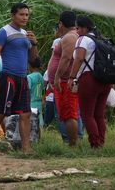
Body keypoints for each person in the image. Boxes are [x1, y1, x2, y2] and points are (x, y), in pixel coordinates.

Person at [0, 3, 38, 156]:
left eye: (27, 15)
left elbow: (33, 59)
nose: (25, 17)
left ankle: (26, 149)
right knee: (0, 112)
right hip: (8, 77)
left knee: (25, 114)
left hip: (22, 78)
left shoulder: (26, 33)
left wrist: (34, 43)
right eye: (21, 14)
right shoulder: (4, 31)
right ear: (13, 15)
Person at [68, 15, 111, 148]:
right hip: (105, 80)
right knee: (99, 114)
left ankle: (95, 144)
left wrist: (71, 77)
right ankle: (101, 143)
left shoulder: (83, 39)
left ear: (84, 28)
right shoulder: (102, 39)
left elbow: (79, 58)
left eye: (78, 28)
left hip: (88, 80)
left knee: (87, 115)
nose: (76, 31)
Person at [47, 11, 80, 147]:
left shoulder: (70, 37)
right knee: (66, 114)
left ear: (61, 23)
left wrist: (57, 78)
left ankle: (73, 145)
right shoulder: (68, 36)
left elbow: (66, 58)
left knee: (69, 114)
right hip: (63, 81)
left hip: (66, 81)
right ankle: (71, 143)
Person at [27, 57, 45, 127]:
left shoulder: (29, 77)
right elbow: (43, 90)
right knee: (39, 117)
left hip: (31, 102)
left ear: (30, 65)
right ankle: (41, 130)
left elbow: (27, 90)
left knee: (32, 119)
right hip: (39, 101)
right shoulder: (41, 76)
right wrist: (43, 100)